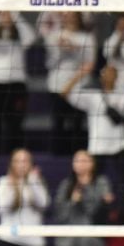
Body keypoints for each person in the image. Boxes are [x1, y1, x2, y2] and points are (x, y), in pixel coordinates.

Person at [61, 63, 124, 190]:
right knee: (91, 182)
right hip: (97, 146)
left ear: (117, 76)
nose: (109, 75)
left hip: (120, 144)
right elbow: (65, 93)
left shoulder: (123, 94)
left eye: (112, 72)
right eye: (106, 72)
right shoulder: (92, 96)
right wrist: (80, 74)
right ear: (101, 76)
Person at [0, 11, 36, 156]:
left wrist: (15, 15)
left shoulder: (20, 39)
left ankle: (14, 157)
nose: (6, 16)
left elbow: (31, 38)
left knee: (15, 124)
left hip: (16, 86)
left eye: (8, 14)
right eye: (3, 14)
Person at [44, 11, 95, 155]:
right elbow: (50, 61)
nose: (69, 18)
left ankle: (77, 156)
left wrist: (75, 48)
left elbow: (89, 64)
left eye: (73, 15)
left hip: (79, 87)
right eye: (66, 16)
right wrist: (60, 48)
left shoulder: (87, 38)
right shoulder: (54, 36)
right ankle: (57, 156)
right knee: (58, 122)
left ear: (79, 17)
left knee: (77, 123)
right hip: (56, 86)